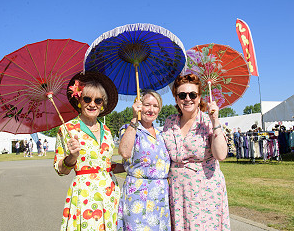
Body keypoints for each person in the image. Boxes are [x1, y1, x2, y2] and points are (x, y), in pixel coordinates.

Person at [54, 71, 124, 231]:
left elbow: (104, 164)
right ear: (79, 100)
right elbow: (61, 169)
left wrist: (128, 166)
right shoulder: (67, 129)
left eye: (98, 100)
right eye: (87, 99)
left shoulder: (106, 130)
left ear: (103, 104)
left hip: (110, 193)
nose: (92, 104)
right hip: (85, 197)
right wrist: (72, 157)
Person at [162, 74, 230, 230]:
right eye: (182, 95)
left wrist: (215, 121)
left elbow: (221, 155)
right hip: (177, 191)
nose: (187, 99)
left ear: (199, 98)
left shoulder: (207, 121)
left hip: (205, 191)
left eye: (192, 94)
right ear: (176, 98)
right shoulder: (169, 122)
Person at [117, 90, 171, 231]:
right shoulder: (129, 128)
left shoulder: (162, 134)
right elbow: (124, 152)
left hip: (160, 195)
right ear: (139, 106)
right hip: (138, 193)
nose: (151, 110)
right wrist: (135, 119)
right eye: (147, 105)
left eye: (155, 106)